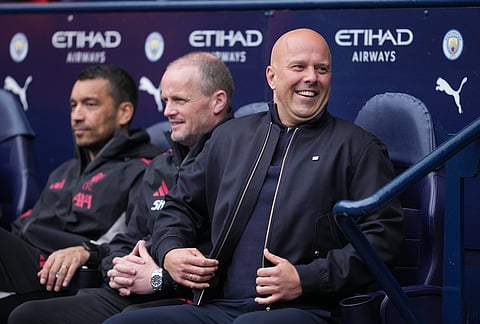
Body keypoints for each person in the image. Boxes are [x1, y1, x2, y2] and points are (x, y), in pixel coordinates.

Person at [103, 28, 405, 324]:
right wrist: (170, 250)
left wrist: (307, 278)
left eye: (322, 69)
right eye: (298, 67)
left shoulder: (358, 147)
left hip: (310, 308)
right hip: (220, 306)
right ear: (272, 76)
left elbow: (381, 238)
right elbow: (180, 206)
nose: (311, 77)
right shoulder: (228, 137)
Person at [8, 51, 235, 324]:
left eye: (179, 100)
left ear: (218, 102)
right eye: (165, 100)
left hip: (192, 297)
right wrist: (117, 266)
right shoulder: (160, 166)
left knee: (127, 321)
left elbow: (226, 262)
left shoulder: (240, 161)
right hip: (133, 289)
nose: (167, 111)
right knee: (27, 316)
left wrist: (157, 278)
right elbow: (129, 239)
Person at [0, 64, 162, 321]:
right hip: (33, 265)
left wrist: (88, 252)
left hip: (76, 274)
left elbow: (135, 243)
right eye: (73, 105)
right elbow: (24, 228)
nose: (76, 115)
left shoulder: (145, 169)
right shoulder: (64, 171)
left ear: (124, 113)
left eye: (90, 104)